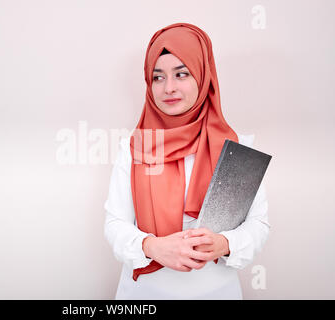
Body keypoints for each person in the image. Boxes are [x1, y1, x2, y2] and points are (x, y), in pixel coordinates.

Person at [104, 22, 270, 299]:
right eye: (157, 77)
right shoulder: (136, 147)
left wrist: (224, 243)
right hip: (144, 296)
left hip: (217, 292)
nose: (168, 87)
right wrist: (152, 246)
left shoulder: (236, 147)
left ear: (203, 76)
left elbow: (258, 225)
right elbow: (114, 224)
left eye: (181, 74)